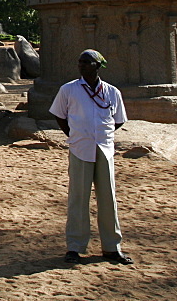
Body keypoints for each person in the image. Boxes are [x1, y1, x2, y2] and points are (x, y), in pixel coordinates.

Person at [49, 49, 134, 265]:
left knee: (108, 198)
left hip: (104, 148)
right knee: (78, 197)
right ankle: (75, 247)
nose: (82, 65)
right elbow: (59, 115)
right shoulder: (69, 90)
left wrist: (103, 135)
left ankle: (112, 247)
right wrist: (74, 134)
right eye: (80, 62)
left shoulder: (112, 92)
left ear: (98, 66)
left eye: (86, 62)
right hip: (80, 148)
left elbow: (119, 119)